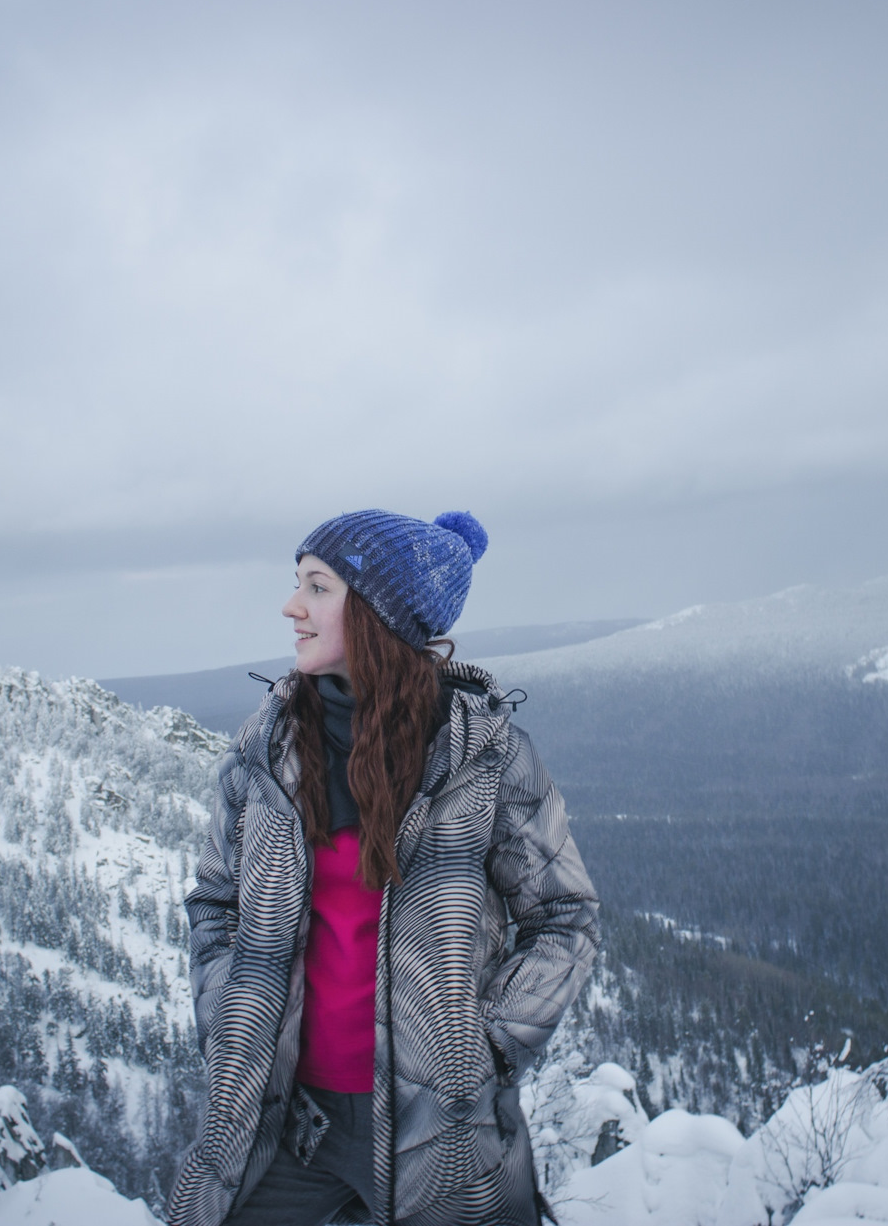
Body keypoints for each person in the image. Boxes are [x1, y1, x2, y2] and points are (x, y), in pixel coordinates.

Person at [166, 510, 601, 1226]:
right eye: (296, 583)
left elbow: (565, 916)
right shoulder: (266, 748)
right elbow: (215, 900)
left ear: (375, 614)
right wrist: (228, 1017)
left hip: (440, 1135)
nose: (291, 606)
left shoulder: (482, 758)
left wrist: (481, 1049)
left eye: (317, 586)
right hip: (285, 1127)